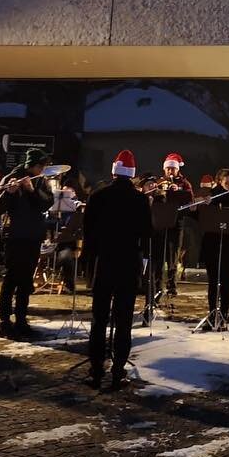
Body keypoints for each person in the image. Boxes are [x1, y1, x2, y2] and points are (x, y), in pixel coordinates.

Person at [83, 150, 152, 391]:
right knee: (123, 320)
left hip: (104, 262)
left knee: (99, 318)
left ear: (113, 171)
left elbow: (88, 232)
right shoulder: (141, 199)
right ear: (132, 174)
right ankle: (118, 370)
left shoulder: (98, 196)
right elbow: (146, 234)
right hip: (128, 263)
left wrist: (88, 262)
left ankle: (95, 368)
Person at [0, 149, 52, 338]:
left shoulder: (41, 181)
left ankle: (22, 319)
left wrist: (32, 191)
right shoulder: (11, 178)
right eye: (40, 166)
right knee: (11, 278)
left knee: (26, 280)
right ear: (31, 165)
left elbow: (46, 204)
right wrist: (9, 192)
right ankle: (5, 320)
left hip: (33, 236)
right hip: (15, 236)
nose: (42, 169)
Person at [194, 168, 229, 329]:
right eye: (226, 183)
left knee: (225, 280)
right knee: (213, 281)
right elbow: (199, 218)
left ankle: (223, 315)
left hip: (228, 244)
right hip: (212, 244)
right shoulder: (212, 194)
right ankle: (212, 314)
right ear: (219, 182)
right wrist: (200, 206)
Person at [148, 153, 193, 298]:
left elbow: (189, 200)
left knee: (173, 255)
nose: (170, 171)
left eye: (172, 169)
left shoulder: (184, 184)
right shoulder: (159, 181)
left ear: (177, 169)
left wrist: (177, 191)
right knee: (159, 255)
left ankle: (172, 285)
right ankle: (157, 284)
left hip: (176, 222)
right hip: (161, 223)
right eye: (167, 169)